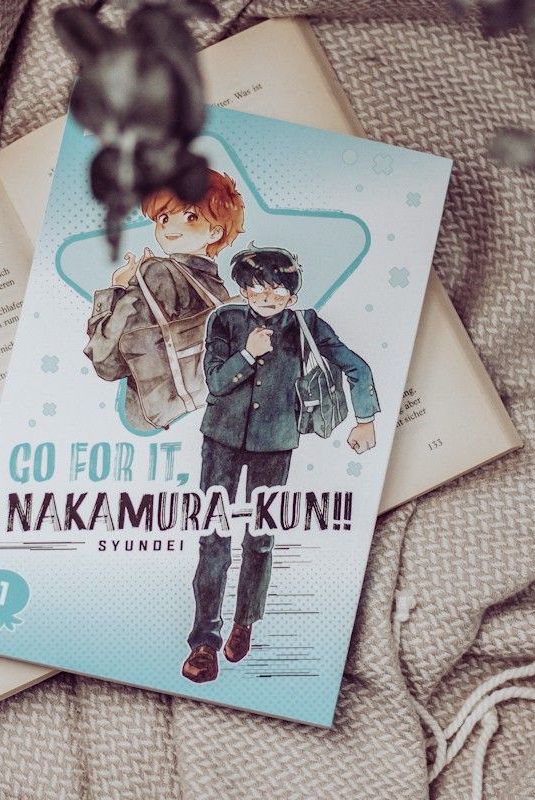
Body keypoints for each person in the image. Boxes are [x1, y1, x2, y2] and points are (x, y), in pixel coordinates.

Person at [182, 244, 380, 683]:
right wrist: (248, 354)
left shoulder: (306, 324)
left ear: (292, 293)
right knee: (213, 537)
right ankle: (204, 641)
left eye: (277, 290)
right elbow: (215, 382)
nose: (267, 298)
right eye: (256, 289)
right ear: (242, 289)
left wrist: (365, 419)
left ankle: (245, 622)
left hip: (275, 444)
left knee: (260, 537)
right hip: (221, 441)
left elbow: (356, 366)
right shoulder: (225, 320)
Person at [84, 170, 245, 430]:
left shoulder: (155, 272)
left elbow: (106, 362)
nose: (170, 227)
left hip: (155, 419)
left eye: (190, 217)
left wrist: (117, 289)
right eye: (164, 218)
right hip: (210, 409)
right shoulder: (218, 290)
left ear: (215, 233)